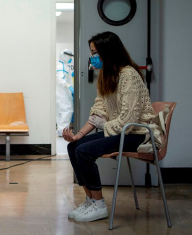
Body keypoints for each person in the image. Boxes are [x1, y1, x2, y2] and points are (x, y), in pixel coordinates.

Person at [63, 31, 162, 223]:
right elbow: (99, 110)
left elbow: (128, 120)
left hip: (139, 133)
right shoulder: (107, 76)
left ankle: (99, 206)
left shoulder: (129, 75)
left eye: (96, 53)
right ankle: (91, 199)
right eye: (92, 53)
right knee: (74, 147)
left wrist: (104, 124)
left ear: (109, 52)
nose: (93, 58)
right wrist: (78, 135)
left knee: (84, 151)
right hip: (122, 131)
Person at [56, 49, 74, 136]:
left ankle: (61, 131)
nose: (70, 58)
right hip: (63, 95)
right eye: (70, 57)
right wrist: (70, 87)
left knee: (60, 113)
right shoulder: (62, 66)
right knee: (67, 111)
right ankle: (63, 131)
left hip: (59, 95)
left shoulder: (60, 65)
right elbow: (61, 79)